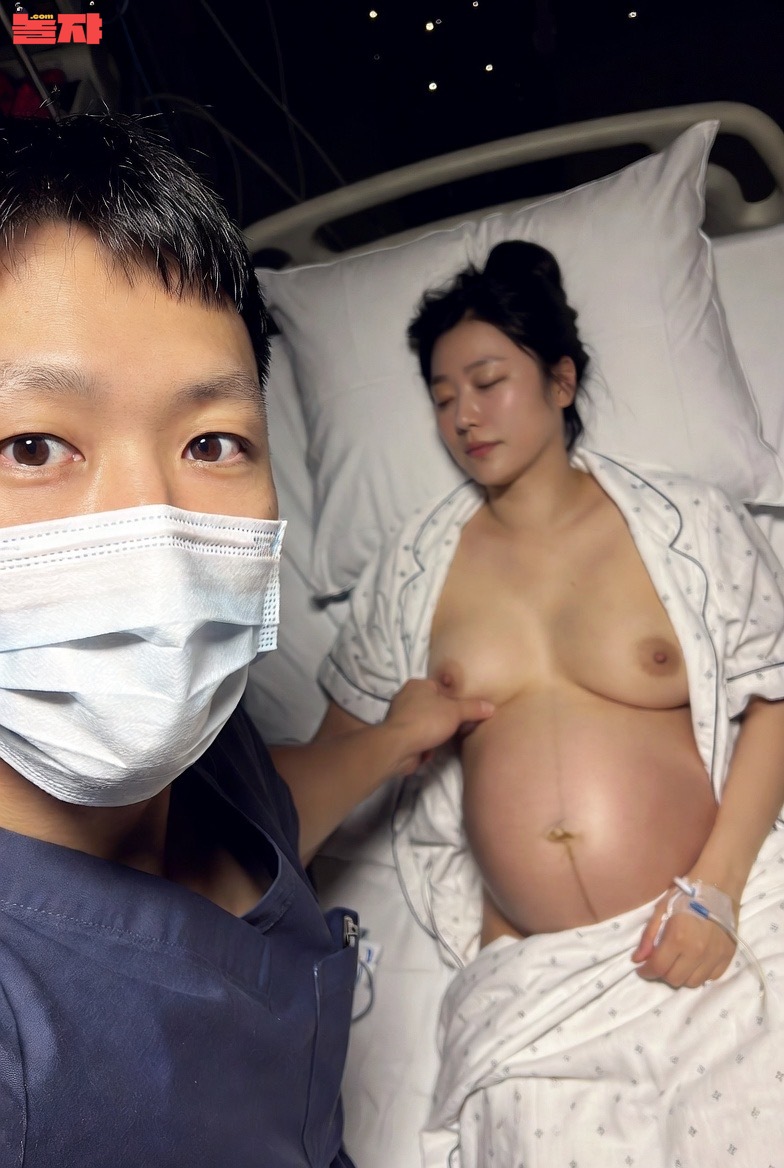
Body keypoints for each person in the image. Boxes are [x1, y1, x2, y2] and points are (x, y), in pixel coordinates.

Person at [0, 113, 490, 1168]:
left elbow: (267, 811)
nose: (158, 549)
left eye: (213, 442)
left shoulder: (198, 740)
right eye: (31, 446)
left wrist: (394, 738)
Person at [296, 240, 784, 1166]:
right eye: (443, 397)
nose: (464, 416)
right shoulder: (412, 570)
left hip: (713, 925)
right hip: (533, 982)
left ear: (561, 381)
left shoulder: (687, 525)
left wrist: (717, 892)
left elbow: (777, 697)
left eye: (488, 382)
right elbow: (319, 775)